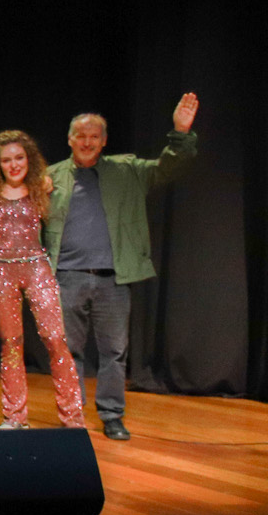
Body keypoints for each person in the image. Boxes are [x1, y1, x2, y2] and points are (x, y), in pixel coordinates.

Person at [42, 94, 200, 440]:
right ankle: (72, 415)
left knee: (114, 352)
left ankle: (112, 415)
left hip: (113, 280)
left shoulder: (127, 170)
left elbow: (169, 166)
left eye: (94, 136)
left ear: (104, 141)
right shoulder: (49, 177)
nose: (87, 142)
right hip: (66, 278)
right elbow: (17, 210)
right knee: (67, 351)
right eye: (81, 136)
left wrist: (180, 132)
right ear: (69, 139)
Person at [0, 131, 85, 430]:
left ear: (29, 159)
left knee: (55, 340)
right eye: (6, 160)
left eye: (19, 158)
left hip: (37, 269)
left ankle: (72, 417)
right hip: (2, 272)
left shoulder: (42, 188)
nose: (14, 165)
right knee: (11, 344)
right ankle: (15, 417)